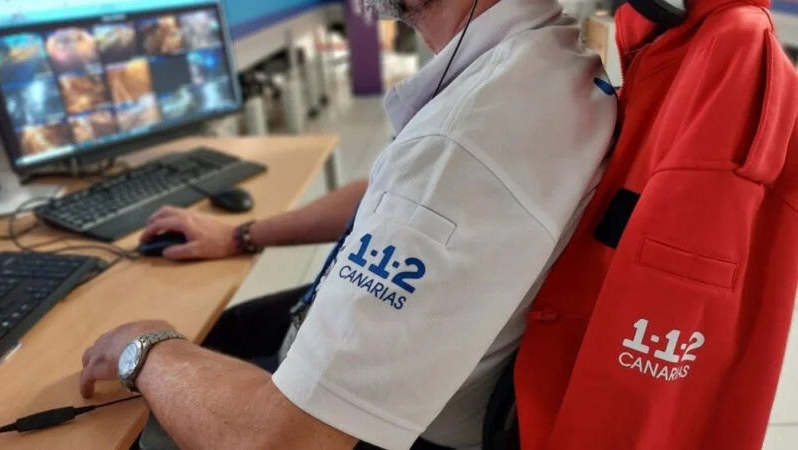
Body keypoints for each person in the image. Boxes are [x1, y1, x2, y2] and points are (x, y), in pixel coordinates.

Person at [79, 0, 617, 448]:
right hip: (434, 371)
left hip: (371, 430)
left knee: (121, 409)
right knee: (227, 327)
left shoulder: (463, 143)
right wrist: (241, 234)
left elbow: (285, 440)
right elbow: (393, 197)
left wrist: (143, 348)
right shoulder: (540, 56)